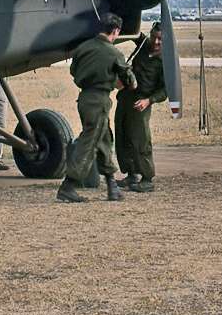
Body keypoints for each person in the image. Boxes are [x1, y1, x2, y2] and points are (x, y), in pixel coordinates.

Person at [58, 12, 136, 203]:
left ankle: (112, 185)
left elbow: (73, 71)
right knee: (89, 142)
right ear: (116, 31)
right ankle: (68, 186)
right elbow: (129, 80)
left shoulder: (83, 48)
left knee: (104, 139)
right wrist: (129, 80)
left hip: (84, 99)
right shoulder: (114, 53)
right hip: (99, 101)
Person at [114, 22, 166, 193]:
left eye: (160, 38)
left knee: (140, 140)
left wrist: (148, 101)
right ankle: (131, 175)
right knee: (123, 136)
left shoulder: (166, 61)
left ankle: (147, 178)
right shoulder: (145, 45)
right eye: (154, 37)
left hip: (141, 104)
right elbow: (133, 32)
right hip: (125, 98)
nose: (156, 42)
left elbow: (165, 90)